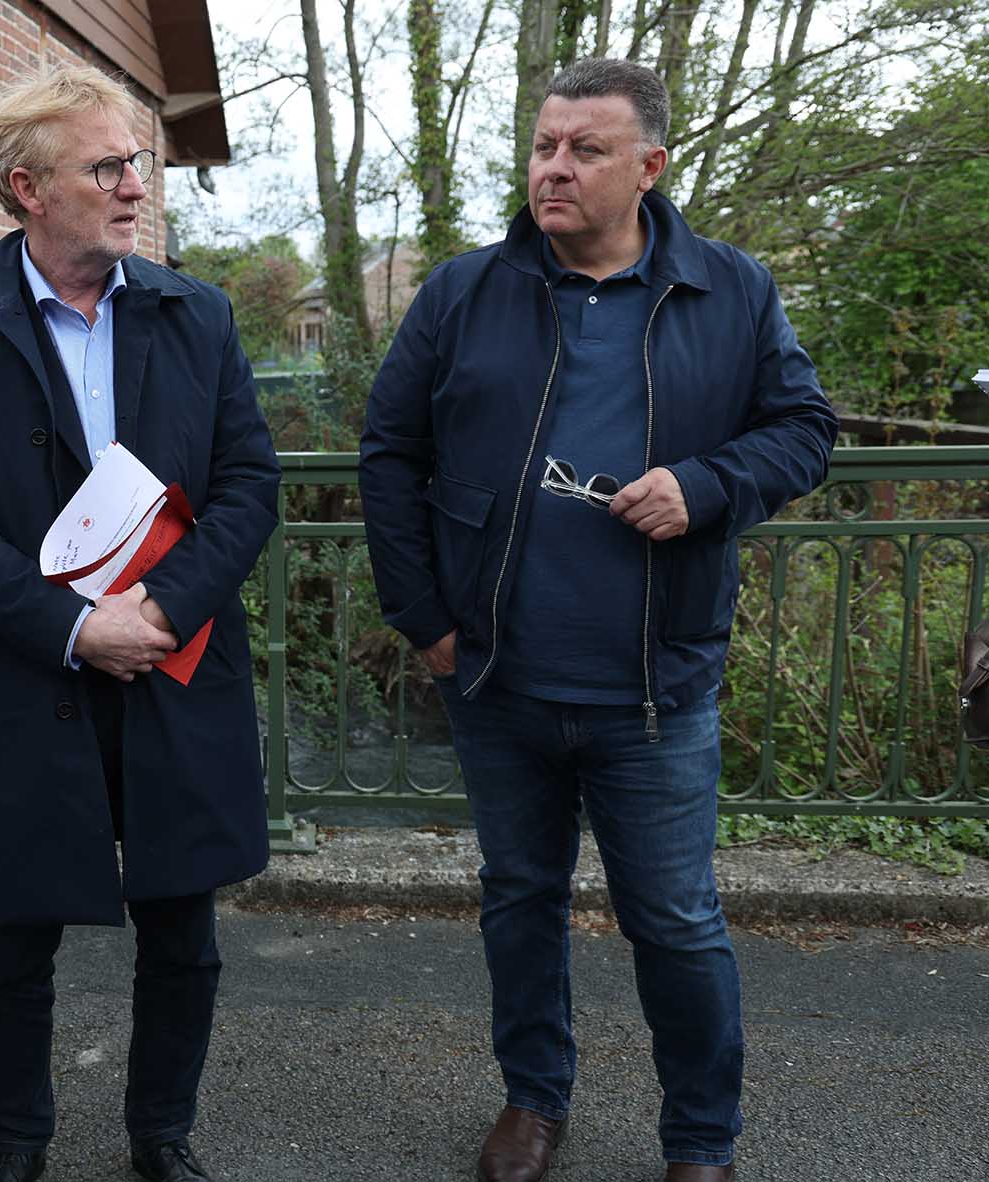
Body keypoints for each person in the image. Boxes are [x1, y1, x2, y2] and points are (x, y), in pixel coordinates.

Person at [360, 58, 836, 1182]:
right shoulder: (462, 291)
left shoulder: (730, 290)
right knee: (518, 900)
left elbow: (803, 429)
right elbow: (389, 453)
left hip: (652, 685)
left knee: (672, 923)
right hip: (496, 680)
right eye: (542, 146)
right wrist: (425, 617)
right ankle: (532, 1101)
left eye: (584, 149)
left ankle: (699, 1141)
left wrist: (706, 485)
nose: (553, 168)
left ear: (650, 166)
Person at [0, 63, 280, 1182]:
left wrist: (159, 607)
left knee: (181, 927)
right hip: (29, 677)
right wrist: (73, 628)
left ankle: (160, 1135)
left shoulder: (193, 314)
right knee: (12, 936)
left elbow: (249, 484)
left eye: (136, 164)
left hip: (173, 661)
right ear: (26, 188)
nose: (132, 187)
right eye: (105, 166)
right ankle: (17, 1142)